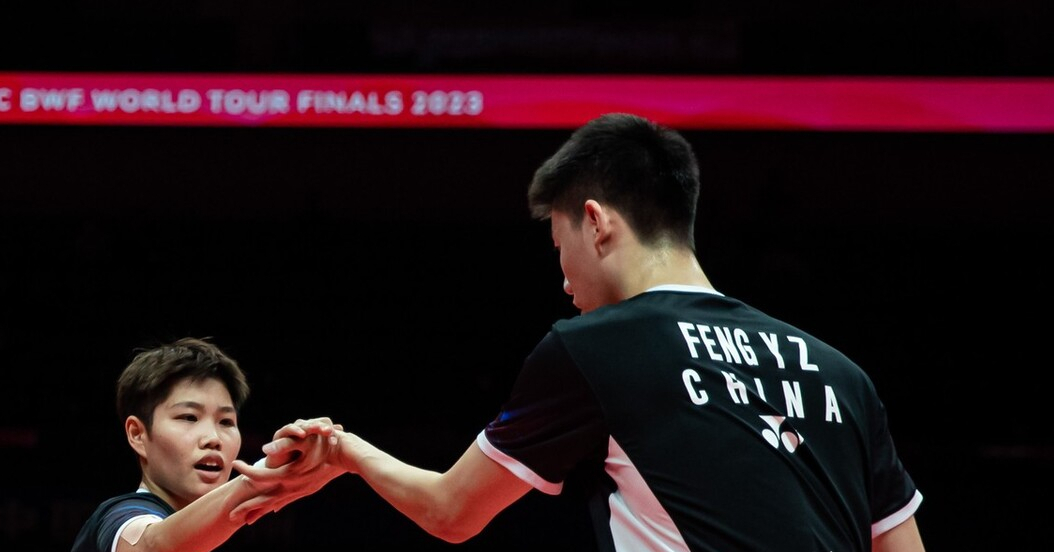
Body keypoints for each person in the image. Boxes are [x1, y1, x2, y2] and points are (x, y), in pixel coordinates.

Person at [237, 113, 926, 551]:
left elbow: (452, 512)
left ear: (595, 222)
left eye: (559, 246)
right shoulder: (840, 372)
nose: (565, 280)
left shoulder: (595, 346)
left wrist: (347, 453)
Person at [70, 336, 335, 552]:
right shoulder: (119, 518)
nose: (213, 438)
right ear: (138, 434)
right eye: (189, 417)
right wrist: (260, 481)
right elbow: (152, 545)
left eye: (226, 422)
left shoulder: (214, 539)